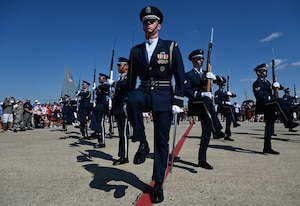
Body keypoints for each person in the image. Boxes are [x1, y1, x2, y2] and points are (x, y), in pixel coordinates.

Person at [125, 6, 185, 204]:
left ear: (159, 24)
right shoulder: (136, 51)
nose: (148, 24)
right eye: (145, 21)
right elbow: (131, 79)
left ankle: (157, 182)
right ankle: (142, 142)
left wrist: (178, 99)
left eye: (151, 21)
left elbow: (180, 75)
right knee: (133, 99)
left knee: (162, 141)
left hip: (164, 94)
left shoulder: (170, 46)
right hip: (144, 91)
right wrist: (126, 99)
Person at [184, 49, 225, 170]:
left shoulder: (207, 73)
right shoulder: (188, 75)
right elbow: (186, 91)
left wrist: (215, 77)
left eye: (202, 58)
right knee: (206, 100)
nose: (201, 60)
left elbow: (224, 80)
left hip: (206, 108)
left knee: (206, 132)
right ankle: (217, 130)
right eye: (198, 58)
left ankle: (202, 160)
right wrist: (200, 94)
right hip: (196, 103)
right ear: (193, 60)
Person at [252, 63, 299, 155]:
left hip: (270, 104)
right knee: (279, 101)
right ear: (258, 73)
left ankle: (267, 147)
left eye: (265, 71)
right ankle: (288, 122)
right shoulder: (257, 83)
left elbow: (281, 87)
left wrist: (278, 85)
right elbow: (259, 96)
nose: (265, 72)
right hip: (263, 104)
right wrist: (271, 98)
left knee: (269, 125)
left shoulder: (268, 82)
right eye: (263, 71)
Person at [111, 57, 130, 165]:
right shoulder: (120, 79)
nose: (118, 67)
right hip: (118, 108)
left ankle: (125, 156)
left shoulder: (128, 77)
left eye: (120, 65)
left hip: (124, 108)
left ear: (126, 66)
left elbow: (126, 85)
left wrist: (113, 84)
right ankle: (122, 154)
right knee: (121, 133)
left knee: (123, 134)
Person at [90, 73, 112, 148]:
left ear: (105, 79)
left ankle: (102, 141)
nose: (99, 79)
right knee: (98, 122)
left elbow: (105, 87)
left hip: (103, 105)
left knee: (101, 123)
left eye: (100, 78)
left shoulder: (106, 86)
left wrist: (96, 88)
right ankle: (98, 135)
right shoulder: (101, 86)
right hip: (99, 105)